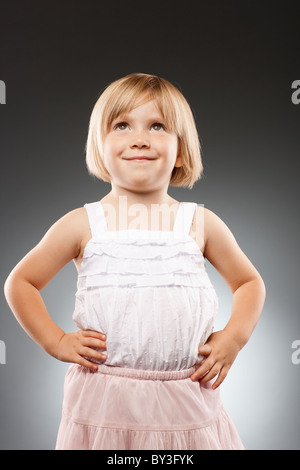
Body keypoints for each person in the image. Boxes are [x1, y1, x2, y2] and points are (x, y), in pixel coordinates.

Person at [4, 73, 266, 450]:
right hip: (103, 399)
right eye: (122, 125)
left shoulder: (199, 222)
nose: (139, 138)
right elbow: (21, 282)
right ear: (101, 144)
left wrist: (234, 337)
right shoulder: (82, 223)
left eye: (157, 126)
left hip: (186, 398)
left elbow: (248, 283)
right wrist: (56, 341)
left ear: (181, 149)